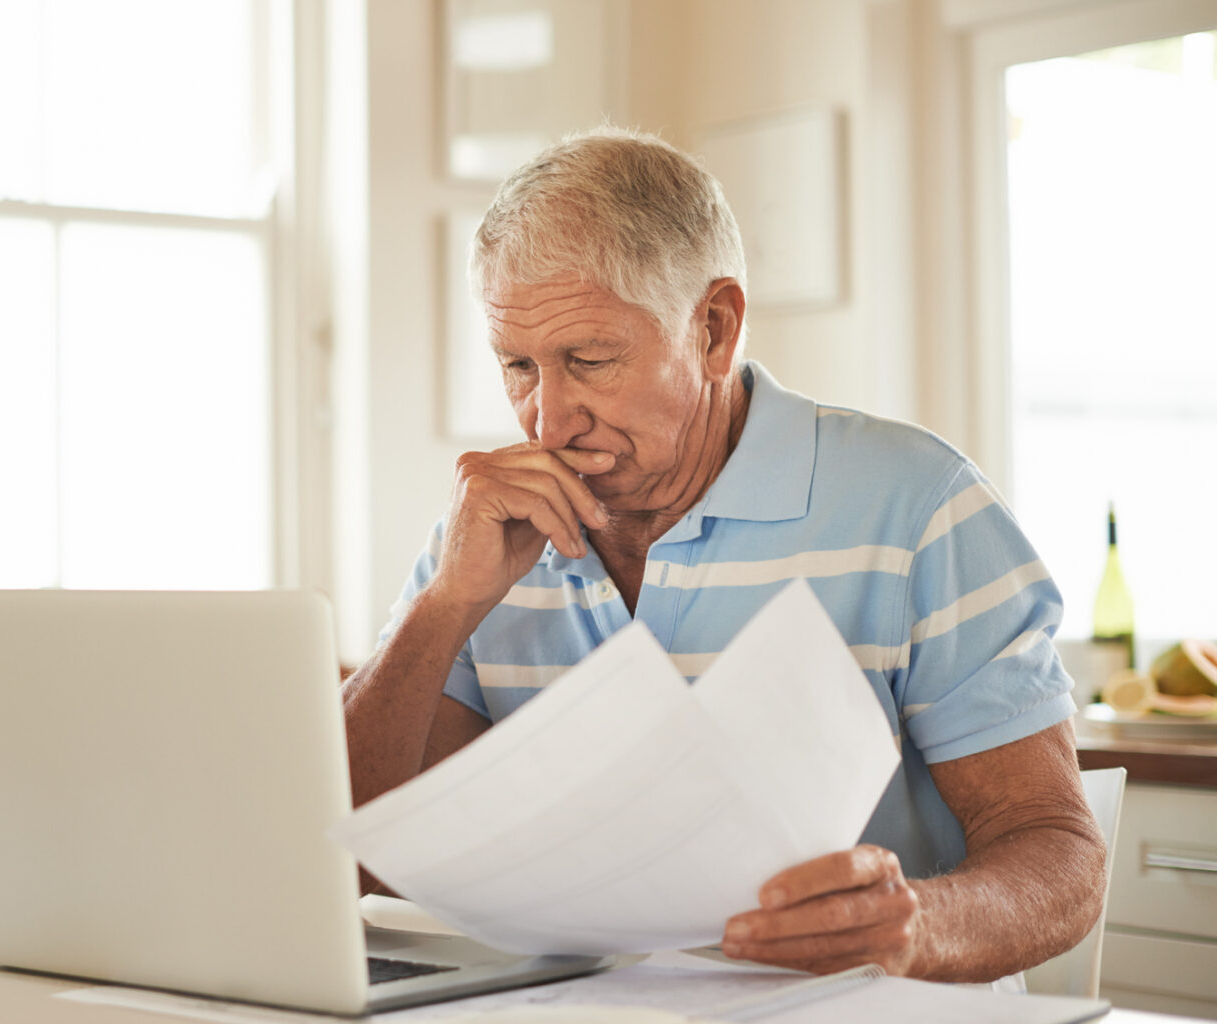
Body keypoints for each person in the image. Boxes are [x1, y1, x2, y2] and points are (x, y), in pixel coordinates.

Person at [340, 126, 1105, 984]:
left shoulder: (919, 506)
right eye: (518, 364)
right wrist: (442, 607)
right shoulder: (483, 535)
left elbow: (1060, 857)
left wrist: (912, 926)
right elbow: (352, 866)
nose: (546, 421)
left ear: (713, 329)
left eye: (589, 360)